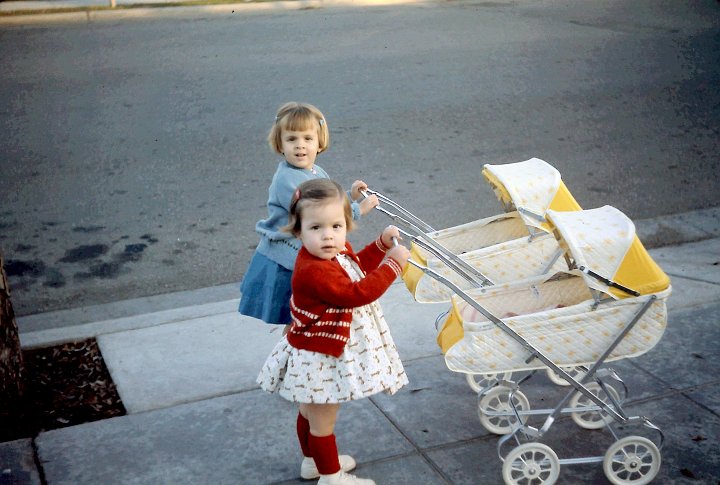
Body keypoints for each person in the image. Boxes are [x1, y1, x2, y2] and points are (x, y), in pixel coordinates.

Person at [257, 179, 411, 485]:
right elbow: (357, 292)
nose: (328, 235)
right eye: (316, 228)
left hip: (317, 351)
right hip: (320, 358)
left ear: (346, 225)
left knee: (310, 411)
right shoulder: (315, 270)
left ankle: (314, 462)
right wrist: (393, 266)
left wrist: (380, 246)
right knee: (322, 420)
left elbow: (355, 267)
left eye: (336, 226)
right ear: (298, 231)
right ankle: (331, 477)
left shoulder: (331, 253)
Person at [239, 102, 378, 326]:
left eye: (307, 138)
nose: (300, 146)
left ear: (319, 142)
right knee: (300, 318)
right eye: (292, 139)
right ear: (280, 144)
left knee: (305, 316)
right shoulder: (287, 180)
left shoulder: (313, 171)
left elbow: (330, 199)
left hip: (306, 251)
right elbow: (319, 212)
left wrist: (351, 197)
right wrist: (357, 210)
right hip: (287, 259)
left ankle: (296, 355)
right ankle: (291, 357)